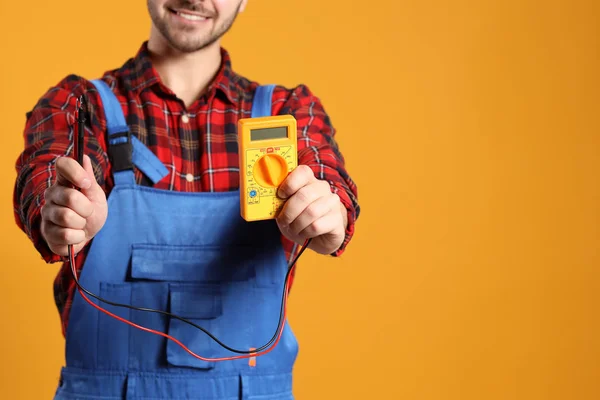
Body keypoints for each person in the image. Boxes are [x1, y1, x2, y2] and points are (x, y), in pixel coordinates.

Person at [13, 1, 360, 399]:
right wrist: (60, 217)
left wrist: (328, 215)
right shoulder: (80, 105)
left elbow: (331, 184)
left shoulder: (286, 113)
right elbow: (41, 185)